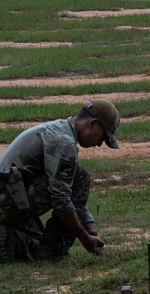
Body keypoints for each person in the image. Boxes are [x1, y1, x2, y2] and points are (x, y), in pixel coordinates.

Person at [0, 100, 119, 263]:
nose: (99, 144)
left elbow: (72, 197)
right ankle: (51, 252)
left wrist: (91, 232)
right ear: (92, 123)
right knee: (79, 177)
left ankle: (10, 237)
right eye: (103, 137)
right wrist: (85, 239)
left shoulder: (59, 128)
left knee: (32, 245)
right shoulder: (63, 142)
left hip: (11, 196)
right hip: (7, 199)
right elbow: (61, 198)